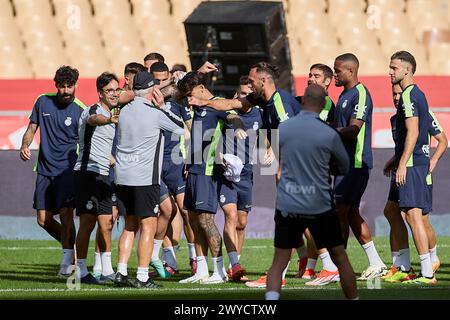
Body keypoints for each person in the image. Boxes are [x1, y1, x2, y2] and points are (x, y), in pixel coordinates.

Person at [186, 62, 301, 288]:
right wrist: (203, 101)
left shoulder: (279, 102)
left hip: (297, 166)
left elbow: (290, 135)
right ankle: (261, 271)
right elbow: (231, 104)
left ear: (263, 81)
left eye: (251, 80)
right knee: (284, 219)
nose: (248, 84)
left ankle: (320, 266)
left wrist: (278, 162)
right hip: (234, 173)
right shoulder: (260, 100)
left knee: (297, 220)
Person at [265, 84, 358, 300]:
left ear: (303, 101)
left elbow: (274, 159)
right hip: (319, 204)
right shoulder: (328, 133)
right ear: (324, 104)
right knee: (340, 257)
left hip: (288, 203)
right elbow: (344, 166)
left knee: (279, 260)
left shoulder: (285, 128)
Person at [113, 71, 185, 288]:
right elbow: (181, 127)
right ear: (152, 90)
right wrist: (162, 106)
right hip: (144, 178)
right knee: (148, 226)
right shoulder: (155, 113)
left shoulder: (124, 111)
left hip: (123, 176)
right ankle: (143, 276)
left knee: (129, 226)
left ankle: (121, 272)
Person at [177, 71, 247, 284]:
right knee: (194, 220)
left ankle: (219, 270)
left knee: (206, 220)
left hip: (208, 170)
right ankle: (201, 269)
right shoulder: (197, 106)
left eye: (190, 94)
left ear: (200, 89)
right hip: (194, 169)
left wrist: (238, 128)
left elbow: (234, 116)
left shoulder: (217, 105)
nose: (189, 100)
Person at [19, 66, 85, 276]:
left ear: (76, 85)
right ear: (56, 85)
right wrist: (25, 145)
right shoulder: (42, 101)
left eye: (70, 86)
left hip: (67, 171)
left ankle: (68, 261)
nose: (66, 90)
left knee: (66, 216)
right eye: (62, 86)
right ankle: (70, 246)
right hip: (45, 170)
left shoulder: (81, 110)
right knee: (43, 220)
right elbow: (31, 128)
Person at [382, 51, 438, 284]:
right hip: (410, 161)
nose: (390, 72)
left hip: (413, 163)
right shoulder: (414, 94)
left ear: (407, 70)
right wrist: (395, 161)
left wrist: (402, 163)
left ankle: (427, 273)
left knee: (414, 216)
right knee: (392, 211)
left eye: (394, 68)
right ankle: (403, 267)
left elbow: (414, 132)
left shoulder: (409, 95)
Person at [333, 53, 387, 280]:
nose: (334, 75)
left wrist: (328, 132)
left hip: (356, 164)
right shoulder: (344, 95)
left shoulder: (361, 94)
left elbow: (354, 129)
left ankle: (338, 267)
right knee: (351, 213)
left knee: (339, 213)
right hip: (344, 165)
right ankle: (376, 262)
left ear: (350, 71)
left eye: (337, 71)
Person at [92, 62, 146, 279]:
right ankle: (99, 264)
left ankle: (107, 266)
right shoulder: (118, 99)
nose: (130, 80)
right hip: (110, 165)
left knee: (120, 218)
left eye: (134, 77)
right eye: (129, 77)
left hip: (128, 164)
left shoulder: (138, 103)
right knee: (107, 218)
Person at [294, 63, 340, 284]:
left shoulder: (325, 103)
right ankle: (312, 266)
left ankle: (329, 266)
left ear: (327, 81)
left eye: (317, 76)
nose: (311, 78)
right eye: (309, 75)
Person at [148, 62, 195, 277]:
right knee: (165, 211)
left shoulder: (178, 99)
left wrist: (192, 158)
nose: (160, 84)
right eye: (155, 80)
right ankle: (168, 260)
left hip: (176, 161)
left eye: (164, 79)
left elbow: (192, 128)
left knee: (186, 211)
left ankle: (195, 258)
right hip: (154, 163)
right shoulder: (144, 99)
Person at [73, 72, 120, 284]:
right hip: (87, 173)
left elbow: (104, 148)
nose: (114, 94)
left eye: (116, 90)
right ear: (100, 93)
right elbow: (95, 119)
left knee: (107, 222)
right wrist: (108, 119)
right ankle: (81, 271)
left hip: (103, 175)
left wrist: (116, 162)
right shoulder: (95, 111)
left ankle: (108, 270)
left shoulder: (113, 115)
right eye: (109, 90)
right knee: (87, 222)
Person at [219, 75, 263, 281]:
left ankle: (233, 263)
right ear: (236, 95)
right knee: (231, 216)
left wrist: (270, 150)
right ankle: (235, 265)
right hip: (227, 174)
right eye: (241, 94)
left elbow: (266, 136)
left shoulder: (259, 115)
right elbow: (212, 136)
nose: (244, 98)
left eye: (248, 95)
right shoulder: (227, 113)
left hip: (246, 173)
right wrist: (218, 154)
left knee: (242, 222)